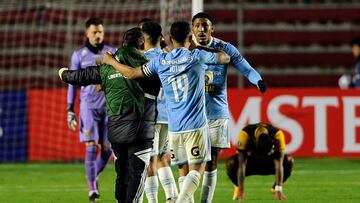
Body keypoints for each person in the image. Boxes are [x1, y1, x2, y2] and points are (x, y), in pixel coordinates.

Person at [103, 21, 230, 203]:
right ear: (189, 37)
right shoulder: (196, 56)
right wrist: (197, 47)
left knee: (162, 163)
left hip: (173, 127)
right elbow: (225, 58)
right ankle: (177, 200)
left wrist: (111, 61)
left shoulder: (159, 61)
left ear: (170, 38)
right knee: (197, 168)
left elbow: (131, 73)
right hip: (194, 124)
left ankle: (169, 199)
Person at [60, 27, 158, 203]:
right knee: (137, 175)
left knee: (121, 174)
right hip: (139, 129)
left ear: (123, 43)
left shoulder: (106, 68)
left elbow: (81, 76)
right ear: (141, 43)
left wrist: (63, 73)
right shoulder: (149, 64)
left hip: (115, 131)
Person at [191, 12, 267, 203]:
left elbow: (246, 68)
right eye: (198, 26)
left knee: (211, 161)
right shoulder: (186, 49)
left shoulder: (225, 48)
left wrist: (258, 81)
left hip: (216, 113)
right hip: (191, 112)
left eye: (205, 26)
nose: (201, 29)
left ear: (212, 29)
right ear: (192, 29)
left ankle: (205, 201)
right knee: (191, 162)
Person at [66, 17, 116, 202]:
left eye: (100, 32)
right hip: (88, 107)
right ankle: (92, 189)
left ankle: (92, 176)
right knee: (91, 146)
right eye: (94, 32)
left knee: (108, 150)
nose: (97, 35)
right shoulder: (79, 55)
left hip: (109, 106)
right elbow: (72, 83)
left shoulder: (112, 52)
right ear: (87, 33)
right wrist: (70, 108)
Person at [140, 22, 179, 203]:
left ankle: (154, 201)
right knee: (163, 158)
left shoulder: (142, 59)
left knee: (149, 161)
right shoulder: (169, 57)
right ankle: (172, 197)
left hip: (152, 116)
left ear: (143, 39)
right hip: (170, 116)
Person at [225, 123, 294, 201]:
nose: (263, 156)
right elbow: (242, 165)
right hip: (251, 163)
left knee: (289, 160)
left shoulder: (278, 135)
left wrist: (279, 189)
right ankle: (238, 187)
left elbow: (279, 164)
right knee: (231, 163)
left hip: (269, 163)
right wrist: (241, 190)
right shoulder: (245, 134)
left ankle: (275, 188)